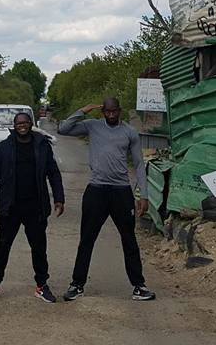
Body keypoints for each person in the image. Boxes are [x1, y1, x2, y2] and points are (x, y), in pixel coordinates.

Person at [58, 97, 155, 302]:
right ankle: (77, 285)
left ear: (119, 111)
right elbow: (63, 129)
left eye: (114, 112)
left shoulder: (129, 132)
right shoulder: (92, 126)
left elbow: (138, 164)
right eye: (107, 112)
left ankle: (139, 286)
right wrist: (83, 109)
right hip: (96, 191)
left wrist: (143, 195)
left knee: (129, 239)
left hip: (121, 192)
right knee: (87, 239)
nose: (111, 115)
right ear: (103, 112)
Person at [0, 112, 65, 303]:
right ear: (14, 125)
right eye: (19, 123)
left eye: (26, 122)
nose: (22, 125)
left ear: (31, 124)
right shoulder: (4, 147)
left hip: (35, 207)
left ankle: (42, 286)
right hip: (10, 206)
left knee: (39, 248)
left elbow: (53, 174)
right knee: (2, 246)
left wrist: (59, 198)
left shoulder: (42, 146)